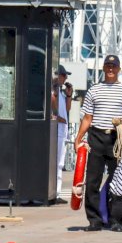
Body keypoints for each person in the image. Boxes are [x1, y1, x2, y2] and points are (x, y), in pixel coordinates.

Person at [74, 55, 122, 231]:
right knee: (92, 180)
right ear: (104, 68)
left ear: (119, 69)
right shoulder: (94, 90)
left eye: (114, 66)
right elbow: (87, 118)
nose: (111, 69)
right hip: (96, 137)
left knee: (117, 181)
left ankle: (114, 220)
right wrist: (79, 139)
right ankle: (94, 220)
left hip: (116, 138)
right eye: (108, 66)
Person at [51, 64, 73, 204]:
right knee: (57, 163)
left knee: (59, 162)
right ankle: (55, 192)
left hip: (61, 131)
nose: (65, 79)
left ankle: (56, 191)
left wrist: (69, 94)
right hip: (57, 130)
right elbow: (53, 109)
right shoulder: (53, 91)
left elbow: (67, 108)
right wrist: (57, 117)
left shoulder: (60, 93)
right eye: (64, 76)